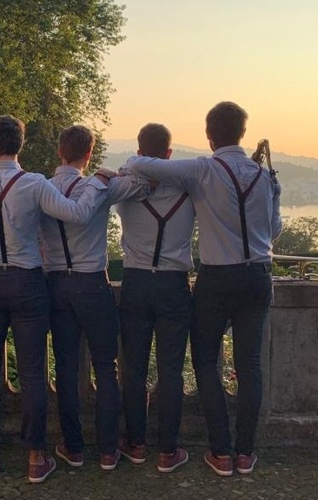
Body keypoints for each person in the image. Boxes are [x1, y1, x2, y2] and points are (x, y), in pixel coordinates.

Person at [125, 102, 282, 476]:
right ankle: (245, 453)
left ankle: (221, 452)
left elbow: (142, 165)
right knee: (250, 365)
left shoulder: (203, 170)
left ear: (209, 136)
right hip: (258, 276)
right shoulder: (266, 178)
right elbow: (274, 230)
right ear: (242, 132)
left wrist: (130, 163)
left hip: (217, 279)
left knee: (206, 362)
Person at [0, 115, 110, 484]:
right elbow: (75, 214)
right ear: (20, 145)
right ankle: (36, 457)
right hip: (28, 282)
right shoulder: (35, 183)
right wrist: (99, 183)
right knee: (33, 371)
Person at [37, 125, 149, 471]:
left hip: (56, 284)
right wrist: (117, 171)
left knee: (66, 367)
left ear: (60, 151)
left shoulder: (41, 188)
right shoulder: (99, 187)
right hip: (92, 283)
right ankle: (107, 450)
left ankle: (73, 447)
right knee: (105, 365)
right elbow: (144, 182)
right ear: (89, 154)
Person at [115, 123, 195, 473]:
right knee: (171, 370)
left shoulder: (126, 190)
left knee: (133, 368)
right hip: (173, 283)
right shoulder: (188, 190)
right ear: (169, 154)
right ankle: (167, 450)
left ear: (138, 150)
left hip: (135, 281)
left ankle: (135, 444)